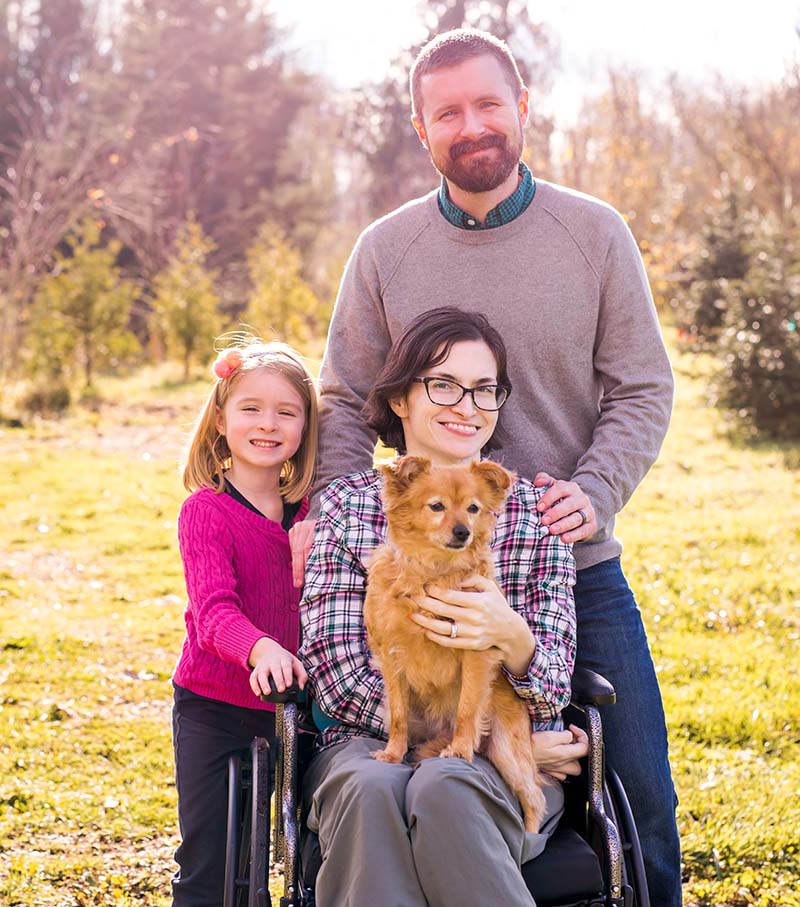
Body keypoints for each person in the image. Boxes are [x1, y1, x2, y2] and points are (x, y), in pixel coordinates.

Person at [292, 28, 680, 907]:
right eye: (449, 112)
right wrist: (341, 512)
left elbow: (643, 386)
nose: (473, 125)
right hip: (416, 550)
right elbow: (346, 397)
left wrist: (597, 490)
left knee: (641, 792)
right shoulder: (385, 250)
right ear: (421, 129)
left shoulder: (594, 233)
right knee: (405, 779)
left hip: (560, 555)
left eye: (488, 104)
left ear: (524, 109)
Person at [300, 308, 585, 907]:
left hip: (495, 747)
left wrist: (513, 637)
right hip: (372, 739)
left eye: (485, 389)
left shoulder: (534, 511)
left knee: (447, 786)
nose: (467, 404)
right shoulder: (350, 508)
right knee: (375, 788)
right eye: (443, 384)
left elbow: (555, 681)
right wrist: (451, 735)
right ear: (400, 398)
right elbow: (336, 672)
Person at [170, 338, 318, 907]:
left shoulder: (316, 512)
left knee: (305, 853)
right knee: (213, 861)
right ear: (220, 420)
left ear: (306, 427)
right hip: (217, 706)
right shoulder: (206, 511)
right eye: (250, 408)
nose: (268, 424)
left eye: (287, 411)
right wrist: (260, 649)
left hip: (300, 709)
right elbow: (213, 613)